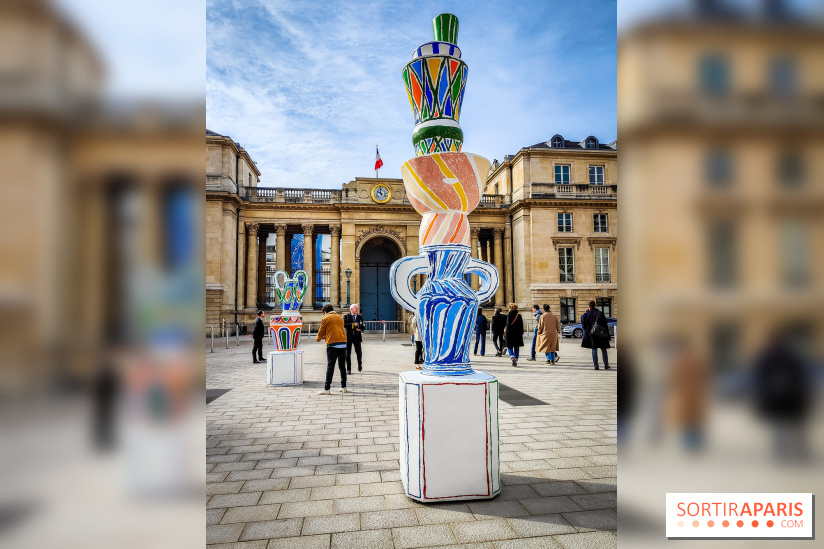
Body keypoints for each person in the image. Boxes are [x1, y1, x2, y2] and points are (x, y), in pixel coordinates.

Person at [316, 304, 348, 395]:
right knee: (342, 366)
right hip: (343, 343)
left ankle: (327, 388)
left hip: (333, 344)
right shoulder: (340, 317)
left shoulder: (326, 318)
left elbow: (321, 330)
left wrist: (318, 339)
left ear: (325, 312)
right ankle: (343, 387)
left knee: (330, 366)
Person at [581, 300, 610, 370]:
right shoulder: (600, 313)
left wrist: (585, 313)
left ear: (589, 306)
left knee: (594, 349)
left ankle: (596, 365)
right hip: (601, 334)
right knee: (603, 349)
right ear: (595, 306)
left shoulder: (586, 315)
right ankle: (606, 365)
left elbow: (584, 326)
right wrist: (607, 335)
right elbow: (605, 325)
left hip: (592, 334)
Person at [342, 303, 364, 374]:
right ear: (351, 309)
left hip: (357, 337)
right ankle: (349, 369)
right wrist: (353, 325)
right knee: (347, 353)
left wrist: (360, 328)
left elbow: (362, 325)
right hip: (349, 337)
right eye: (356, 308)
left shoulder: (359, 317)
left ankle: (359, 364)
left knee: (359, 352)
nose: (357, 309)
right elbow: (344, 324)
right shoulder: (346, 316)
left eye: (357, 308)